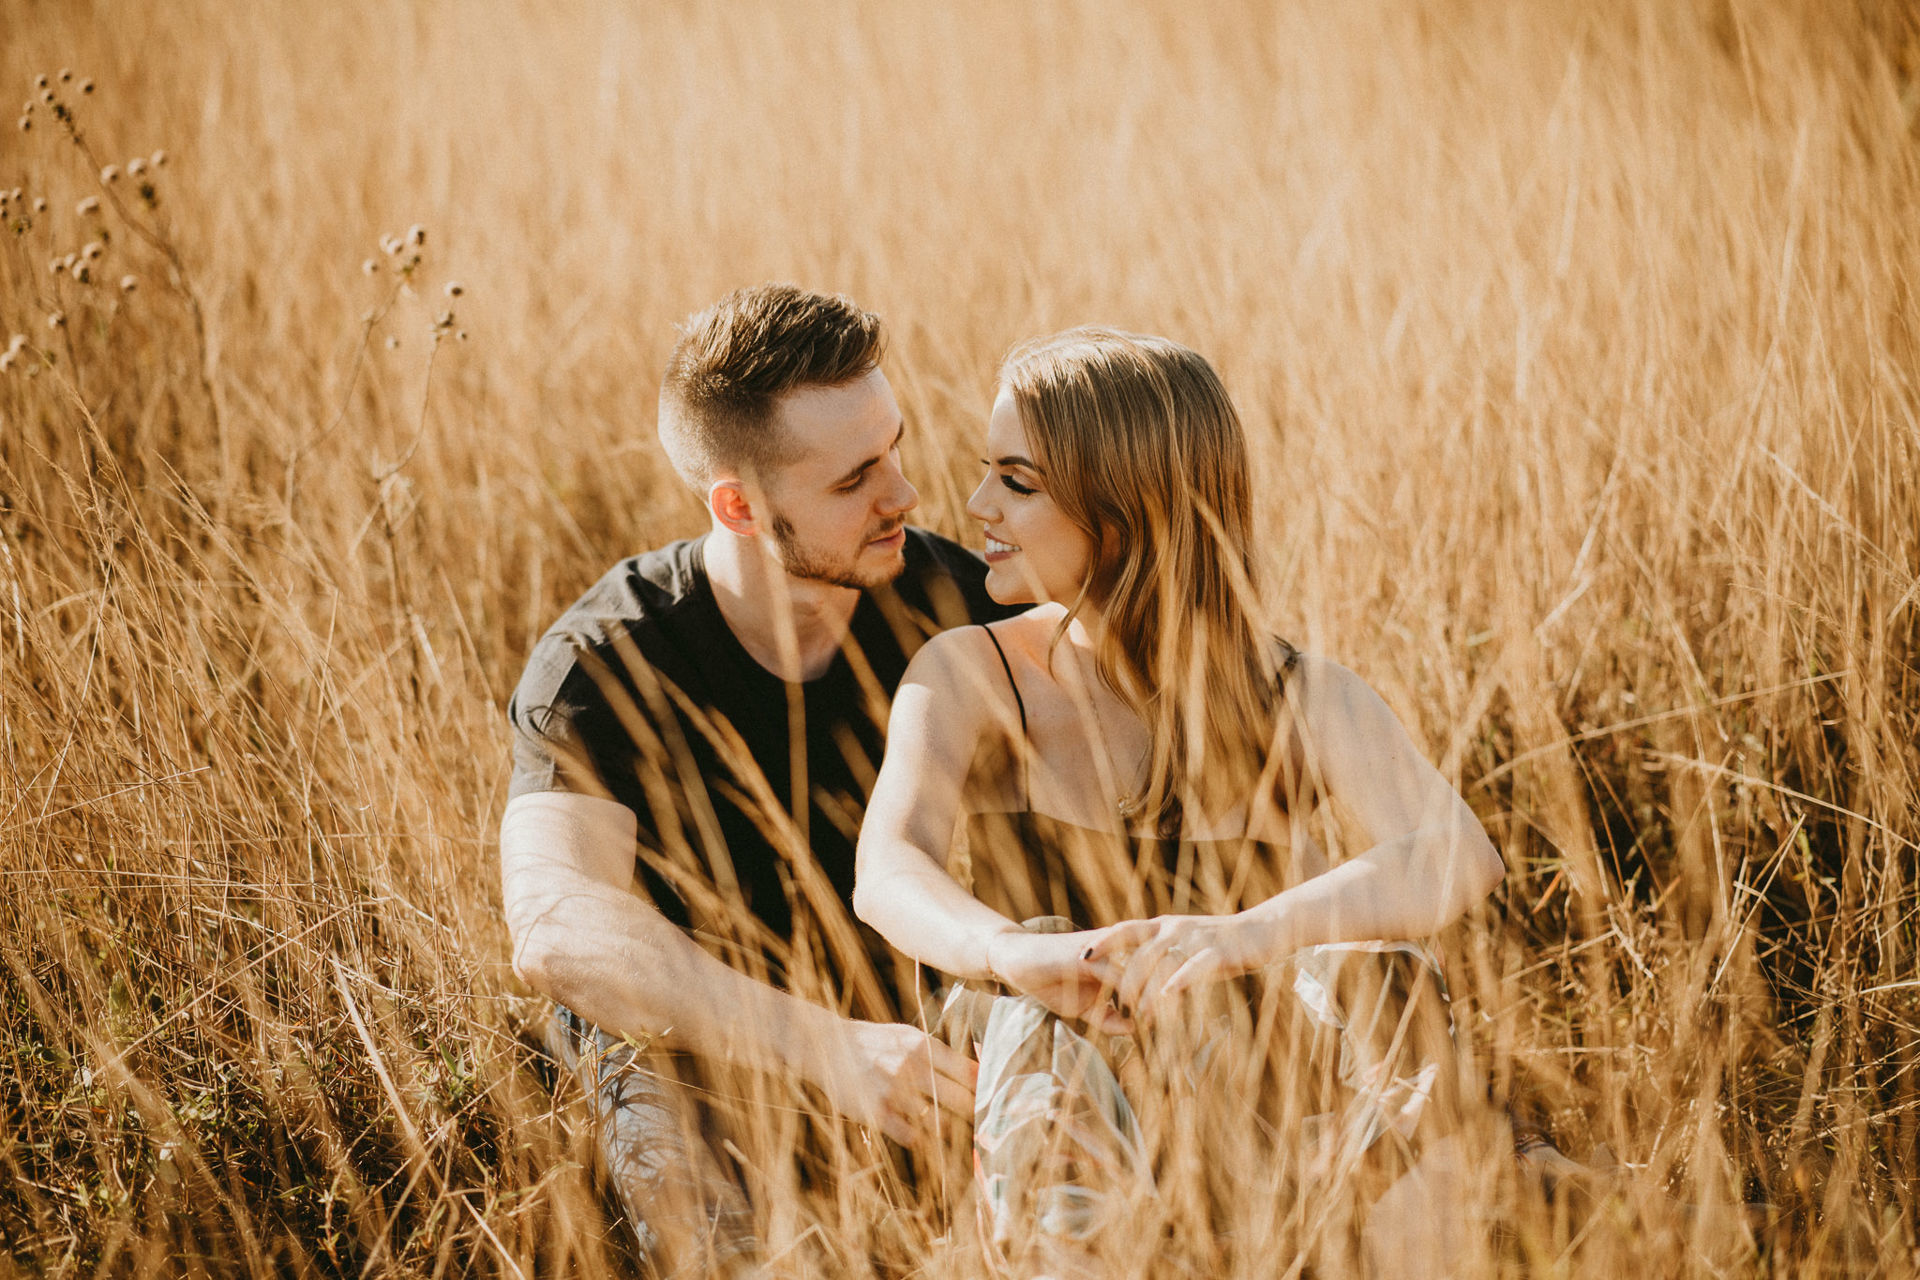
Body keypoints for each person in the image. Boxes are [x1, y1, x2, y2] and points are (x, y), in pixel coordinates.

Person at [852, 328, 1509, 1274]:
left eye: (1018, 482)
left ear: (1121, 517)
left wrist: (1236, 938)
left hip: (1250, 1095)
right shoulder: (970, 671)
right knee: (1040, 1011)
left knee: (1381, 970)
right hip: (1052, 1090)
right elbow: (888, 870)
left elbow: (1457, 855)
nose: (976, 507)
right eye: (987, 474)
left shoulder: (1300, 692)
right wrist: (1018, 953)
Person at [498, 284, 1009, 1272]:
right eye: (857, 475)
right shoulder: (606, 657)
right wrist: (823, 1047)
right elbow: (554, 923)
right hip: (687, 1048)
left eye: (896, 446)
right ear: (737, 504)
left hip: (911, 1029)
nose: (903, 493)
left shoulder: (955, 602)